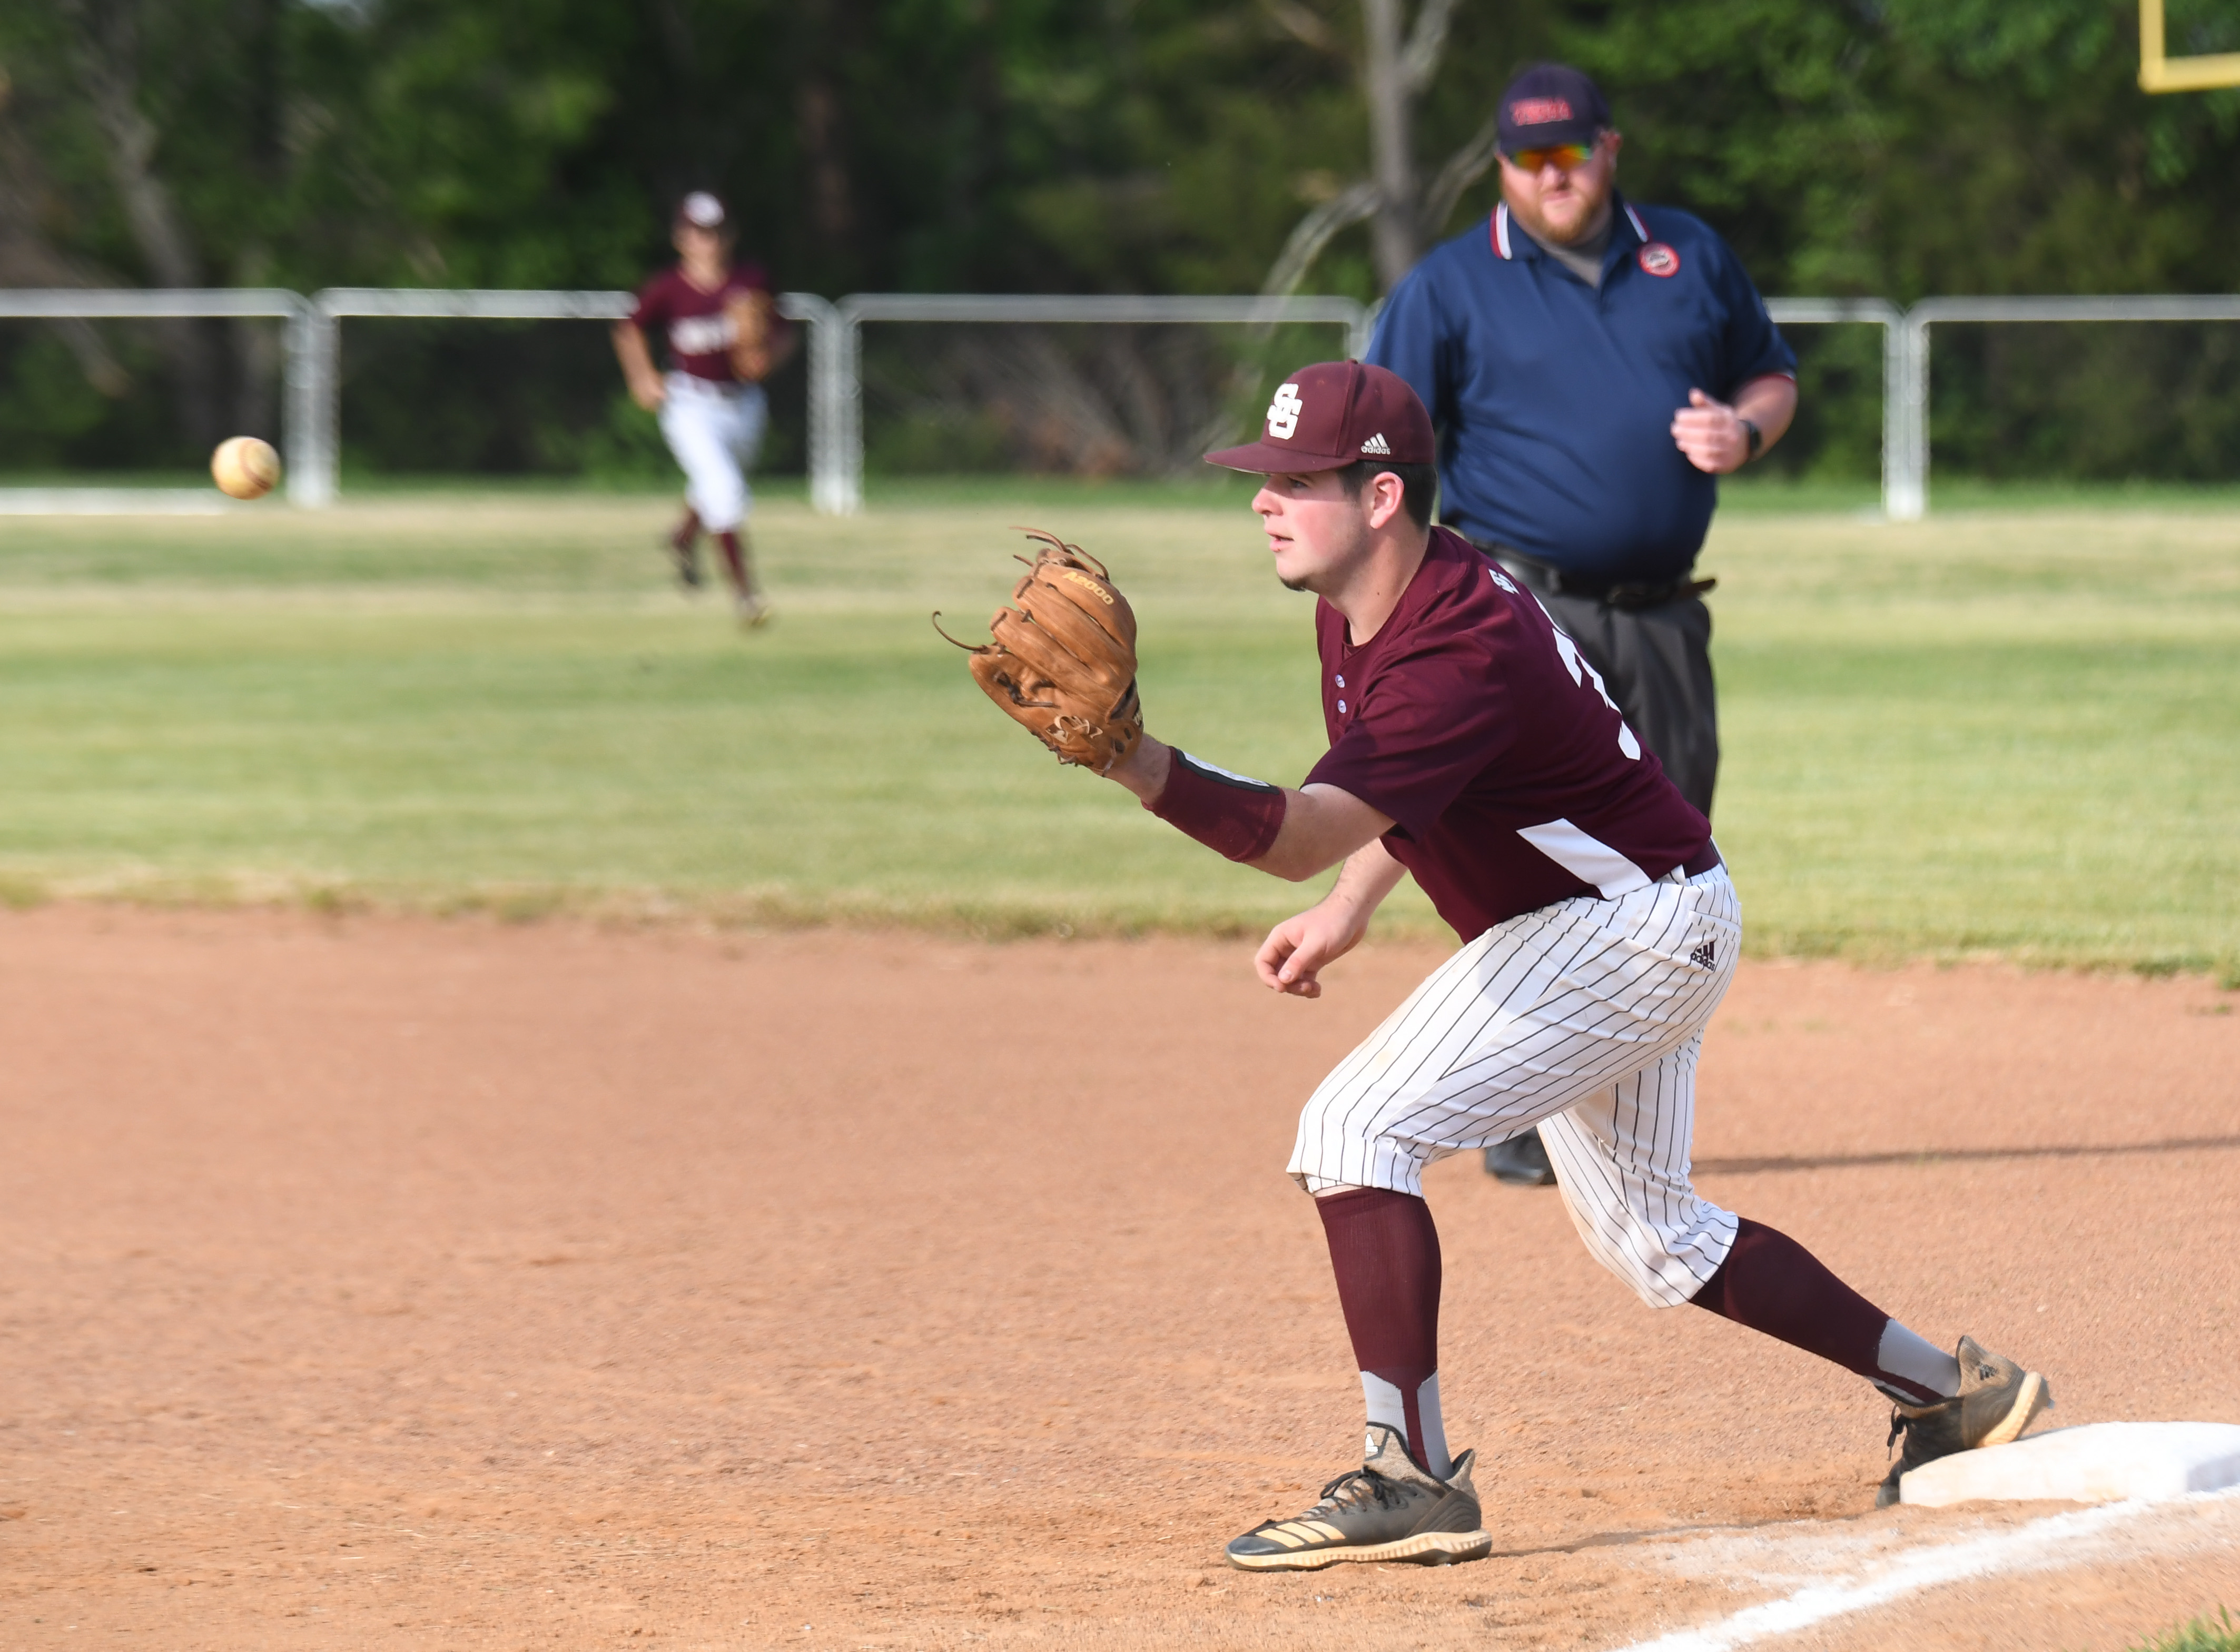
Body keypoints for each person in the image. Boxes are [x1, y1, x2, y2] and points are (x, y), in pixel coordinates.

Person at [1085, 360, 2048, 1569]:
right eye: (1264, 479)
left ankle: (1411, 1476)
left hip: (1620, 929)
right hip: (1638, 915)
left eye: (1296, 480)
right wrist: (1347, 905)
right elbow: (1395, 789)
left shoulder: (1456, 642)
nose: (1262, 501)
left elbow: (1294, 830)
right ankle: (1951, 1390)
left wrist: (1136, 763)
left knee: (1352, 1128)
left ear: (1380, 497)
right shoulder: (1365, 600)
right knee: (1655, 1235)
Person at [1366, 63, 1798, 1189]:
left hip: (1663, 614)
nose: (1551, 174)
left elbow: (1768, 375)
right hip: (1523, 610)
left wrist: (1743, 432)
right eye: (1528, 157)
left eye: (1568, 151)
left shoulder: (1686, 255)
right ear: (1500, 166)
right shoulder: (1448, 285)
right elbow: (1383, 448)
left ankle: (1621, 1118)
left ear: (1608, 148)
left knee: (1668, 868)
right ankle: (1521, 1111)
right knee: (1539, 861)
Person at [612, 191, 785, 627]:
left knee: (716, 485)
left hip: (744, 402)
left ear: (730, 235)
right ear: (681, 238)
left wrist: (769, 356)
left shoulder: (751, 280)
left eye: (715, 232)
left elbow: (784, 333)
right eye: (698, 233)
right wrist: (642, 376)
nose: (708, 242)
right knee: (726, 491)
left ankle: (683, 536)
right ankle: (746, 597)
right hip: (691, 402)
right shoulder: (669, 287)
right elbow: (628, 328)